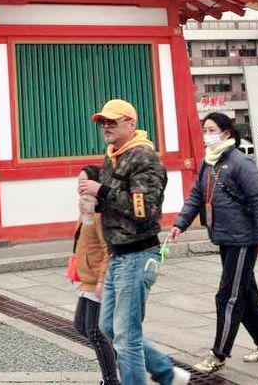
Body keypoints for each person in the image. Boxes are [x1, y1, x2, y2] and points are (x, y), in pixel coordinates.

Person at [78, 98, 189, 385]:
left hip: (138, 253)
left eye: (112, 122)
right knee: (108, 327)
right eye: (103, 123)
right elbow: (110, 189)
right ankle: (167, 373)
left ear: (131, 123)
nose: (106, 127)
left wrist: (100, 190)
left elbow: (143, 209)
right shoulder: (115, 154)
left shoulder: (143, 158)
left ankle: (160, 374)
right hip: (119, 254)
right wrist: (92, 187)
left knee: (126, 338)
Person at [167, 112, 258, 373]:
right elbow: (197, 195)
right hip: (224, 237)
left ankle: (219, 353)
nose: (206, 135)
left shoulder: (240, 163)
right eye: (204, 129)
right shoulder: (209, 163)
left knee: (228, 296)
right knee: (246, 294)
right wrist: (180, 223)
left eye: (210, 129)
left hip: (242, 239)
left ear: (226, 133)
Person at [73, 165, 119, 385]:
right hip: (86, 279)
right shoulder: (87, 209)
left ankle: (111, 380)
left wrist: (102, 280)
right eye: (78, 183)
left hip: (97, 281)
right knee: (81, 326)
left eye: (84, 183)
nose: (80, 188)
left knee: (95, 332)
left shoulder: (101, 215)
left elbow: (107, 250)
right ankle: (118, 359)